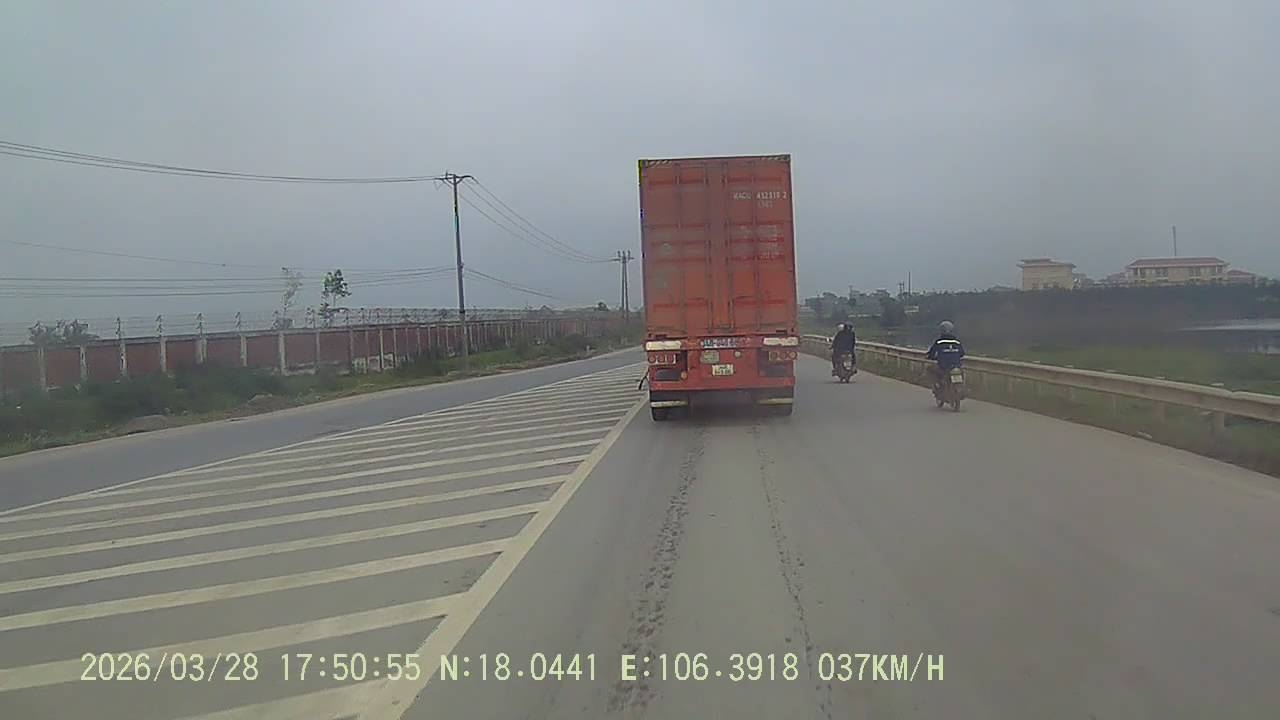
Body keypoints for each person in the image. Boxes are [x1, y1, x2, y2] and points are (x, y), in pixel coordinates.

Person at [925, 320, 965, 387]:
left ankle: (937, 385)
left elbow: (932, 353)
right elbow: (962, 353)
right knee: (961, 372)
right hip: (956, 366)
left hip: (943, 366)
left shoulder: (939, 342)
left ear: (941, 330)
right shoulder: (957, 342)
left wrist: (931, 357)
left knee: (929, 368)